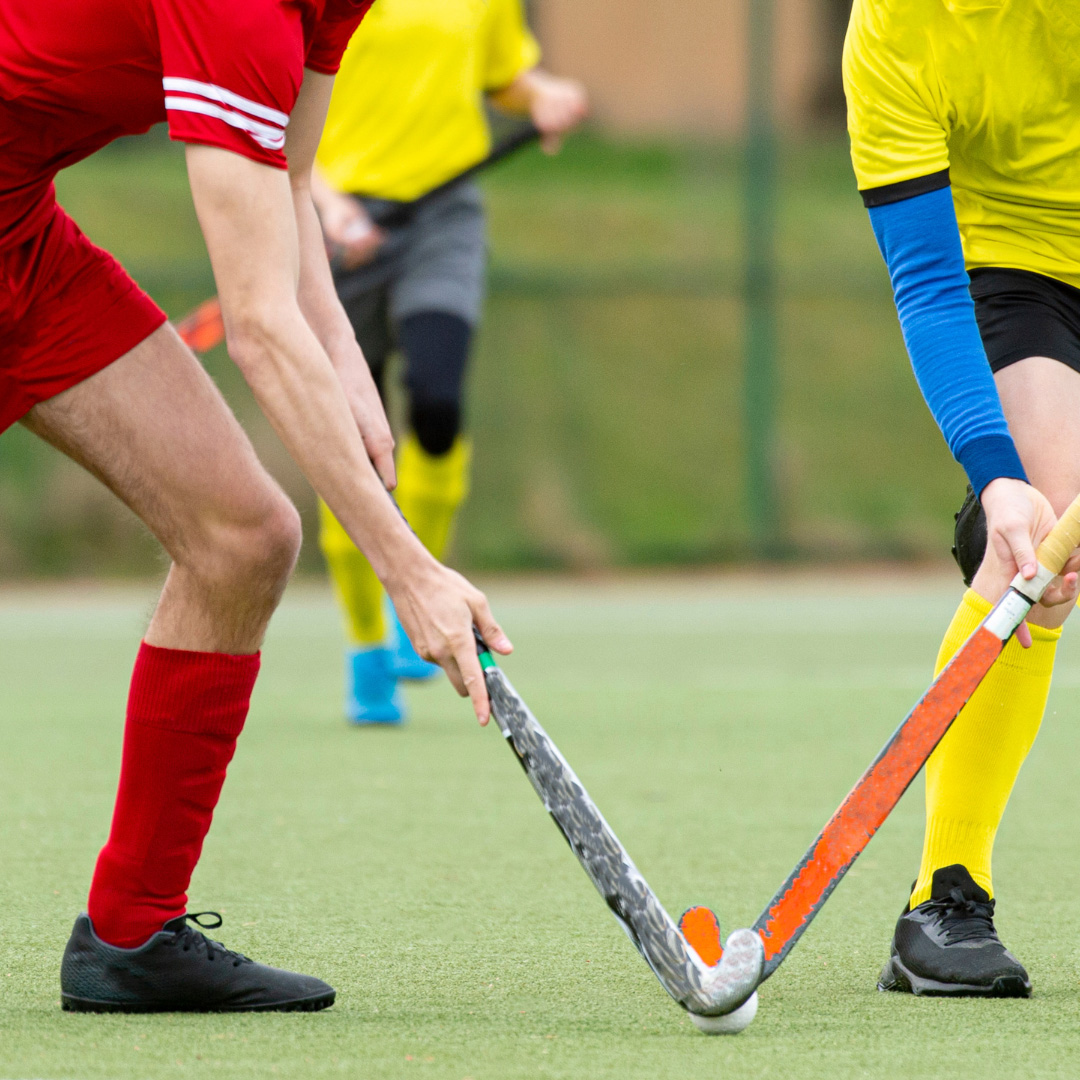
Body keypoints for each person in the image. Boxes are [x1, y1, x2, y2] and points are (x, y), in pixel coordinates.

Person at [0, 0, 513, 1013]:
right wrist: (408, 569)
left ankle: (132, 929)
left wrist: (349, 368)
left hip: (19, 235)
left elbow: (287, 184)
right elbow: (257, 326)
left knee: (242, 538)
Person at [844, 0, 1080, 998]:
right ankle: (945, 896)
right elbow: (930, 283)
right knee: (1041, 545)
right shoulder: (892, 32)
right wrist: (998, 478)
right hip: (1018, 268)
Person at [310, 0, 587, 723]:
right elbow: (270, 114)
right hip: (337, 222)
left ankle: (419, 592)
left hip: (443, 216)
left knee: (436, 403)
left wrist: (543, 93)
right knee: (348, 442)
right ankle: (366, 647)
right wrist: (328, 204)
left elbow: (504, 74)